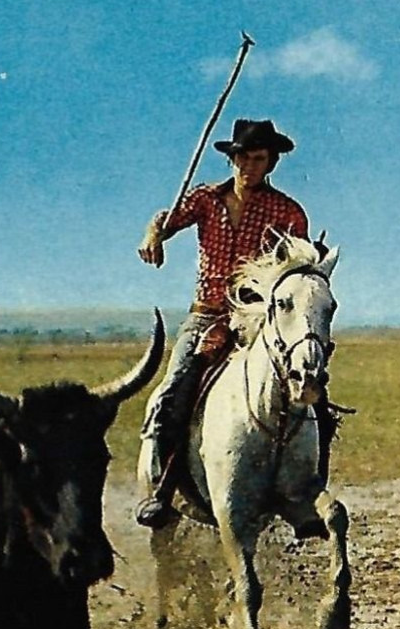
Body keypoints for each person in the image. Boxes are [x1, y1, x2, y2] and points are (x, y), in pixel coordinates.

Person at [136, 117, 324, 529]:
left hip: (257, 319)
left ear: (271, 162)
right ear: (232, 159)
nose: (249, 166)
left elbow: (297, 268)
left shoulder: (288, 212)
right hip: (205, 316)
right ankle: (164, 489)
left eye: (258, 158)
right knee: (173, 393)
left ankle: (307, 487)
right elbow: (165, 219)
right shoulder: (205, 199)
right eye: (242, 157)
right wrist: (153, 238)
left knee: (311, 390)